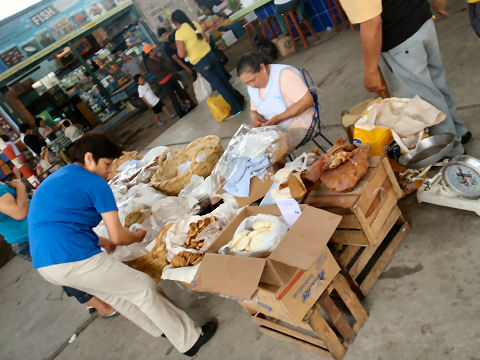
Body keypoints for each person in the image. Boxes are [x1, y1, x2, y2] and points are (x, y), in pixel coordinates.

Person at [28, 132, 217, 357]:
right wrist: (136, 236)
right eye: (107, 164)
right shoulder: (94, 182)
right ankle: (190, 339)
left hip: (46, 265)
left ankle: (160, 329)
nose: (109, 171)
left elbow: (62, 222)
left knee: (118, 295)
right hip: (73, 257)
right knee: (142, 288)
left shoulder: (59, 178)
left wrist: (101, 240)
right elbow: (119, 236)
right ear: (89, 158)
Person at [338, 0, 472, 157]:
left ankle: (451, 154)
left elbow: (372, 22)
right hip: (422, 20)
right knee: (436, 83)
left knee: (424, 102)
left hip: (401, 39)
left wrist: (370, 69)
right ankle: (459, 131)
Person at [0, 177, 118, 317]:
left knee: (66, 264)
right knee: (67, 269)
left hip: (38, 231)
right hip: (30, 238)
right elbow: (19, 212)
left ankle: (89, 302)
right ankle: (102, 307)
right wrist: (19, 185)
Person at [172, 9, 244, 118]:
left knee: (220, 86)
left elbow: (181, 54)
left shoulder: (179, 33)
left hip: (201, 63)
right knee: (224, 81)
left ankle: (236, 108)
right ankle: (239, 100)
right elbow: (205, 38)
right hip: (211, 55)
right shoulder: (194, 24)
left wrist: (187, 49)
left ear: (176, 22)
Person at [237, 53, 316, 150]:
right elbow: (253, 110)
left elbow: (307, 100)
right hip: (276, 130)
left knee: (267, 154)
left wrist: (278, 118)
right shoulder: (252, 86)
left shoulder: (284, 75)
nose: (251, 85)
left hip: (301, 125)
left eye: (252, 80)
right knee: (248, 150)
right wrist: (254, 116)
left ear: (262, 68)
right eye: (247, 83)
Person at [142, 43, 195, 118]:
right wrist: (160, 59)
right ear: (149, 52)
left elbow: (165, 65)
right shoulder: (149, 62)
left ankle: (191, 104)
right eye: (153, 50)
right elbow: (158, 68)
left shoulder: (155, 57)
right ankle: (180, 113)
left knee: (181, 91)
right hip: (165, 81)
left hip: (170, 77)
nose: (155, 51)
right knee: (173, 97)